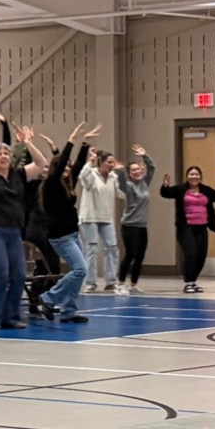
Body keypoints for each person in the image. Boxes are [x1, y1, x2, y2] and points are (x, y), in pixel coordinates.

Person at [0, 124, 48, 330]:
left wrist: (28, 143)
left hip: (13, 232)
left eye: (6, 153)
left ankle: (11, 316)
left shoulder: (19, 175)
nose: (3, 156)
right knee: (2, 275)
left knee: (19, 275)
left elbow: (41, 163)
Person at [33, 126, 94, 324]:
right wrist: (70, 140)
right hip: (60, 236)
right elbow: (59, 166)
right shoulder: (50, 183)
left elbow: (78, 166)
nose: (67, 170)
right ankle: (49, 298)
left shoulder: (68, 184)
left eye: (68, 167)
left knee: (77, 273)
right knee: (80, 270)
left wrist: (84, 144)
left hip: (73, 234)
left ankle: (68, 311)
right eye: (64, 167)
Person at [159, 166, 215, 294]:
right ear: (187, 176)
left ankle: (193, 281)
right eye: (192, 174)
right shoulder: (181, 189)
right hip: (186, 227)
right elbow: (166, 193)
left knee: (200, 256)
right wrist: (165, 185)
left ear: (200, 176)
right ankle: (188, 282)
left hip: (202, 227)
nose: (194, 177)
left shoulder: (205, 190)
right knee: (191, 253)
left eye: (197, 174)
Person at [77, 128, 120, 292]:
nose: (112, 165)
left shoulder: (113, 177)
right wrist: (90, 161)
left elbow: (121, 193)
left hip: (107, 217)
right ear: (101, 162)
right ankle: (90, 282)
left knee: (112, 247)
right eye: (109, 162)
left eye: (113, 162)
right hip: (90, 217)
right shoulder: (91, 174)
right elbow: (82, 178)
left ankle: (111, 280)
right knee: (92, 248)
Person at [113, 144, 155, 295]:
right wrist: (119, 170)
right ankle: (120, 284)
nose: (137, 171)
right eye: (133, 170)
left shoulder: (144, 183)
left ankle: (134, 284)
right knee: (130, 254)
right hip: (129, 225)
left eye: (138, 169)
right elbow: (120, 181)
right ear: (129, 174)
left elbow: (152, 168)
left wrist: (145, 155)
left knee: (140, 256)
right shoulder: (128, 186)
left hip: (142, 226)